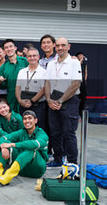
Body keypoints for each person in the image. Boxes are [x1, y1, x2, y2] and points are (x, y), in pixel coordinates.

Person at [0, 110, 49, 186]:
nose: (27, 121)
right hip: (21, 169)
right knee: (3, 145)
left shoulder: (42, 134)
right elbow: (3, 138)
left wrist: (13, 144)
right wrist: (3, 148)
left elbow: (34, 144)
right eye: (25, 119)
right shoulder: (22, 132)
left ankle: (7, 177)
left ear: (35, 120)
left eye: (30, 118)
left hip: (36, 170)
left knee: (30, 149)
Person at [45, 37, 82, 166]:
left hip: (69, 101)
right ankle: (57, 159)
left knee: (68, 133)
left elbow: (75, 84)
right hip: (53, 101)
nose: (60, 48)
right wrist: (49, 100)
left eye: (63, 45)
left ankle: (72, 162)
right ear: (55, 46)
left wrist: (60, 100)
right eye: (58, 45)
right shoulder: (51, 64)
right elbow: (47, 83)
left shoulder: (74, 63)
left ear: (69, 46)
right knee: (55, 132)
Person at [15, 47, 46, 129]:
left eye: (34, 56)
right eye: (29, 56)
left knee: (38, 128)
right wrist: (19, 100)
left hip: (38, 105)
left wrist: (32, 101)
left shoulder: (44, 72)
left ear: (38, 57)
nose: (32, 58)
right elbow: (17, 87)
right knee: (24, 127)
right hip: (23, 104)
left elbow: (43, 89)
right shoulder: (22, 71)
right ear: (26, 58)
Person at [0, 39, 28, 113]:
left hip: (25, 96)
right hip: (11, 98)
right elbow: (3, 86)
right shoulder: (3, 67)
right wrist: (0, 82)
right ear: (4, 51)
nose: (9, 49)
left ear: (15, 48)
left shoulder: (24, 61)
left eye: (11, 46)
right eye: (6, 48)